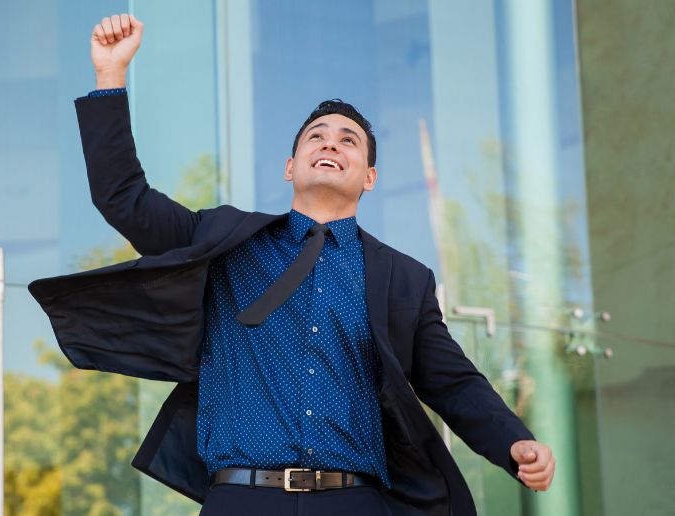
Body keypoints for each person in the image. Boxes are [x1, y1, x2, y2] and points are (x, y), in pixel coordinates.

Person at [28, 13, 555, 515]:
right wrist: (110, 74)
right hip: (240, 499)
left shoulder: (404, 280)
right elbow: (124, 197)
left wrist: (515, 442)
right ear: (290, 166)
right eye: (317, 136)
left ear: (368, 176)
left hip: (356, 502)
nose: (331, 143)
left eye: (349, 141)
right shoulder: (224, 242)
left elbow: (454, 382)